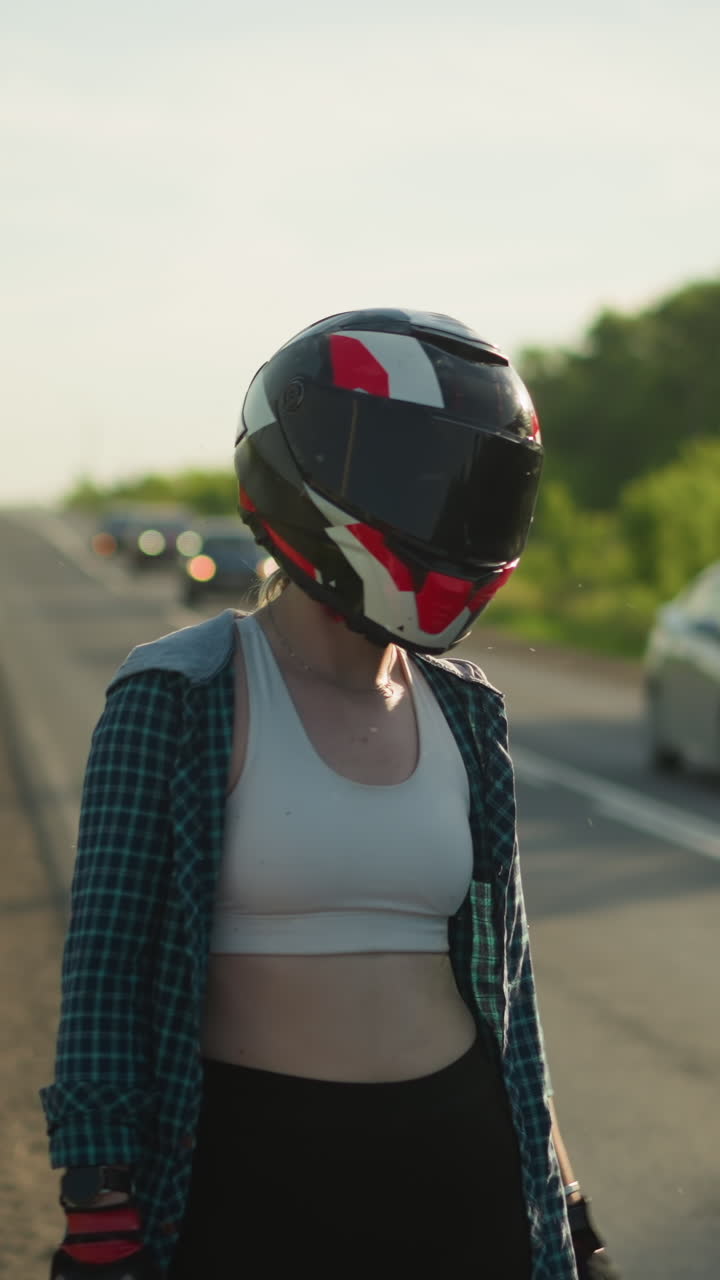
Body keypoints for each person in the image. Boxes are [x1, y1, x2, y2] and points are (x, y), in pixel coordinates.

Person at [42, 309, 619, 1279]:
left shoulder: (468, 711)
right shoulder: (179, 691)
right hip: (251, 1170)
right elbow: (105, 966)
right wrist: (100, 1206)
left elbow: (508, 995)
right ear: (303, 474)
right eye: (411, 477)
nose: (443, 512)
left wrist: (565, 1201)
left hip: (462, 1165)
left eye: (466, 485)